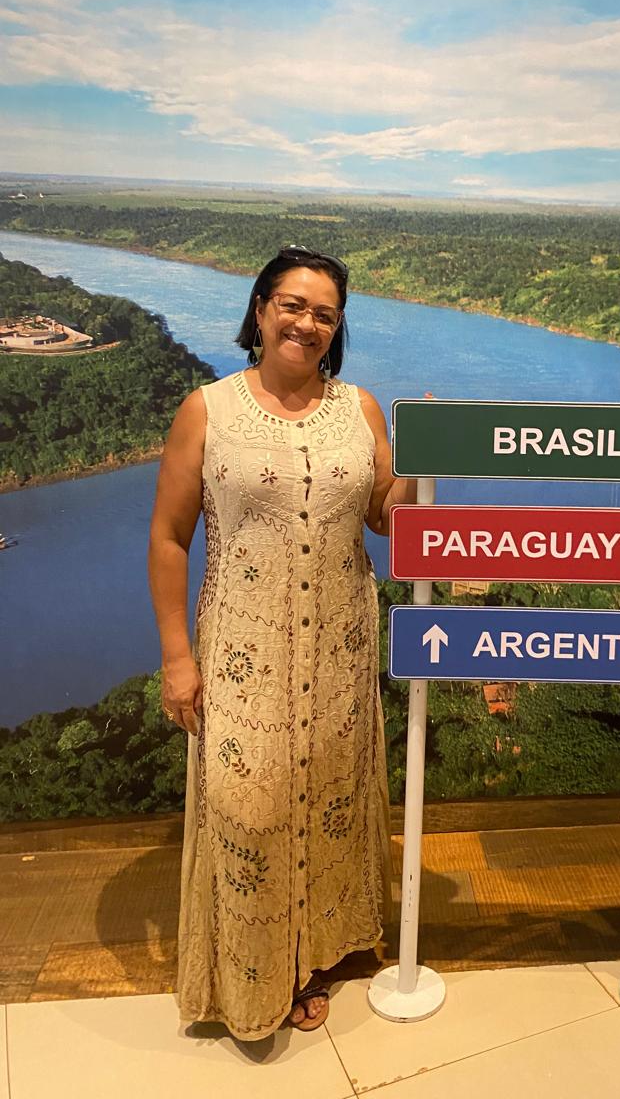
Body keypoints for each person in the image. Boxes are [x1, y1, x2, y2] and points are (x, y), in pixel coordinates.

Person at [148, 245, 414, 1039]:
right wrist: (176, 657)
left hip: (338, 651)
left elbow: (384, 516)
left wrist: (428, 460)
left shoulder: (359, 407)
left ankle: (313, 957)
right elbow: (168, 538)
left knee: (328, 800)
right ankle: (250, 976)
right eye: (291, 305)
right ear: (260, 309)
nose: (306, 323)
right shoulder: (209, 409)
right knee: (249, 811)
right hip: (242, 657)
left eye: (324, 314)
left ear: (338, 328)